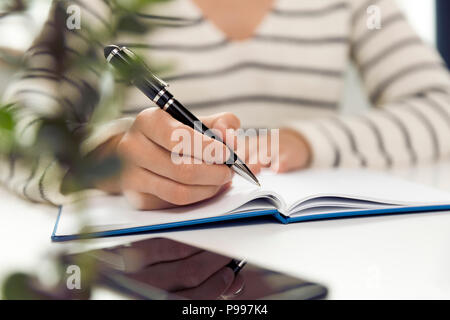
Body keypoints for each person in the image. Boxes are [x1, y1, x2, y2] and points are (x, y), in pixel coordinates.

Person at [2, 0, 450, 210]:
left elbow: (440, 106)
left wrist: (307, 141)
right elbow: (14, 133)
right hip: (162, 270)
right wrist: (109, 158)